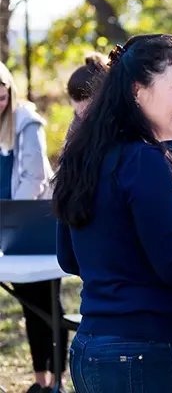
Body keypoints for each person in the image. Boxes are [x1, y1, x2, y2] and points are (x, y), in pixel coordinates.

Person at [53, 34, 172, 392]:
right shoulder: (145, 160)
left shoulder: (83, 154)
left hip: (91, 351)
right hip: (145, 356)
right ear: (137, 90)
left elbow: (69, 258)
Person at [65, 52, 172, 223]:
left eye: (89, 110)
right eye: (78, 113)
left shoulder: (144, 145)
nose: (84, 117)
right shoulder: (82, 144)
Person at [0, 62, 66, 393]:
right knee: (28, 302)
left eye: (2, 97)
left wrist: (13, 214)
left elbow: (35, 176)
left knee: (47, 302)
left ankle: (57, 379)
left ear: (9, 91)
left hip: (32, 221)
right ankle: (41, 380)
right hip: (6, 226)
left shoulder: (26, 121)